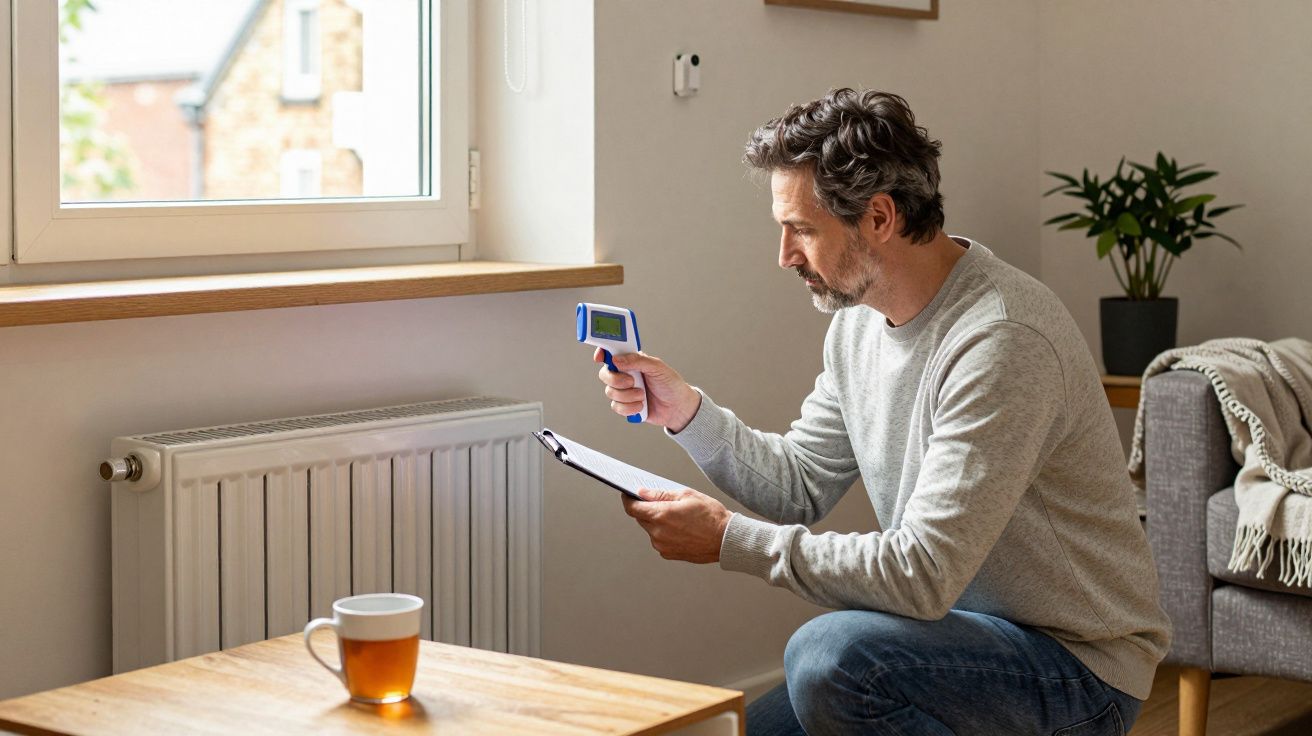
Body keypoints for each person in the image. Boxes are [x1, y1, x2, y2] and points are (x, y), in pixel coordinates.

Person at [592, 89, 1170, 735]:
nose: (784, 255)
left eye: (803, 229)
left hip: (1074, 669)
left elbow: (921, 574)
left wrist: (729, 539)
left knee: (833, 656)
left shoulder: (1002, 340)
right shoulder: (858, 324)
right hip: (953, 640)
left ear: (879, 218)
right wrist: (687, 413)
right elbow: (798, 484)